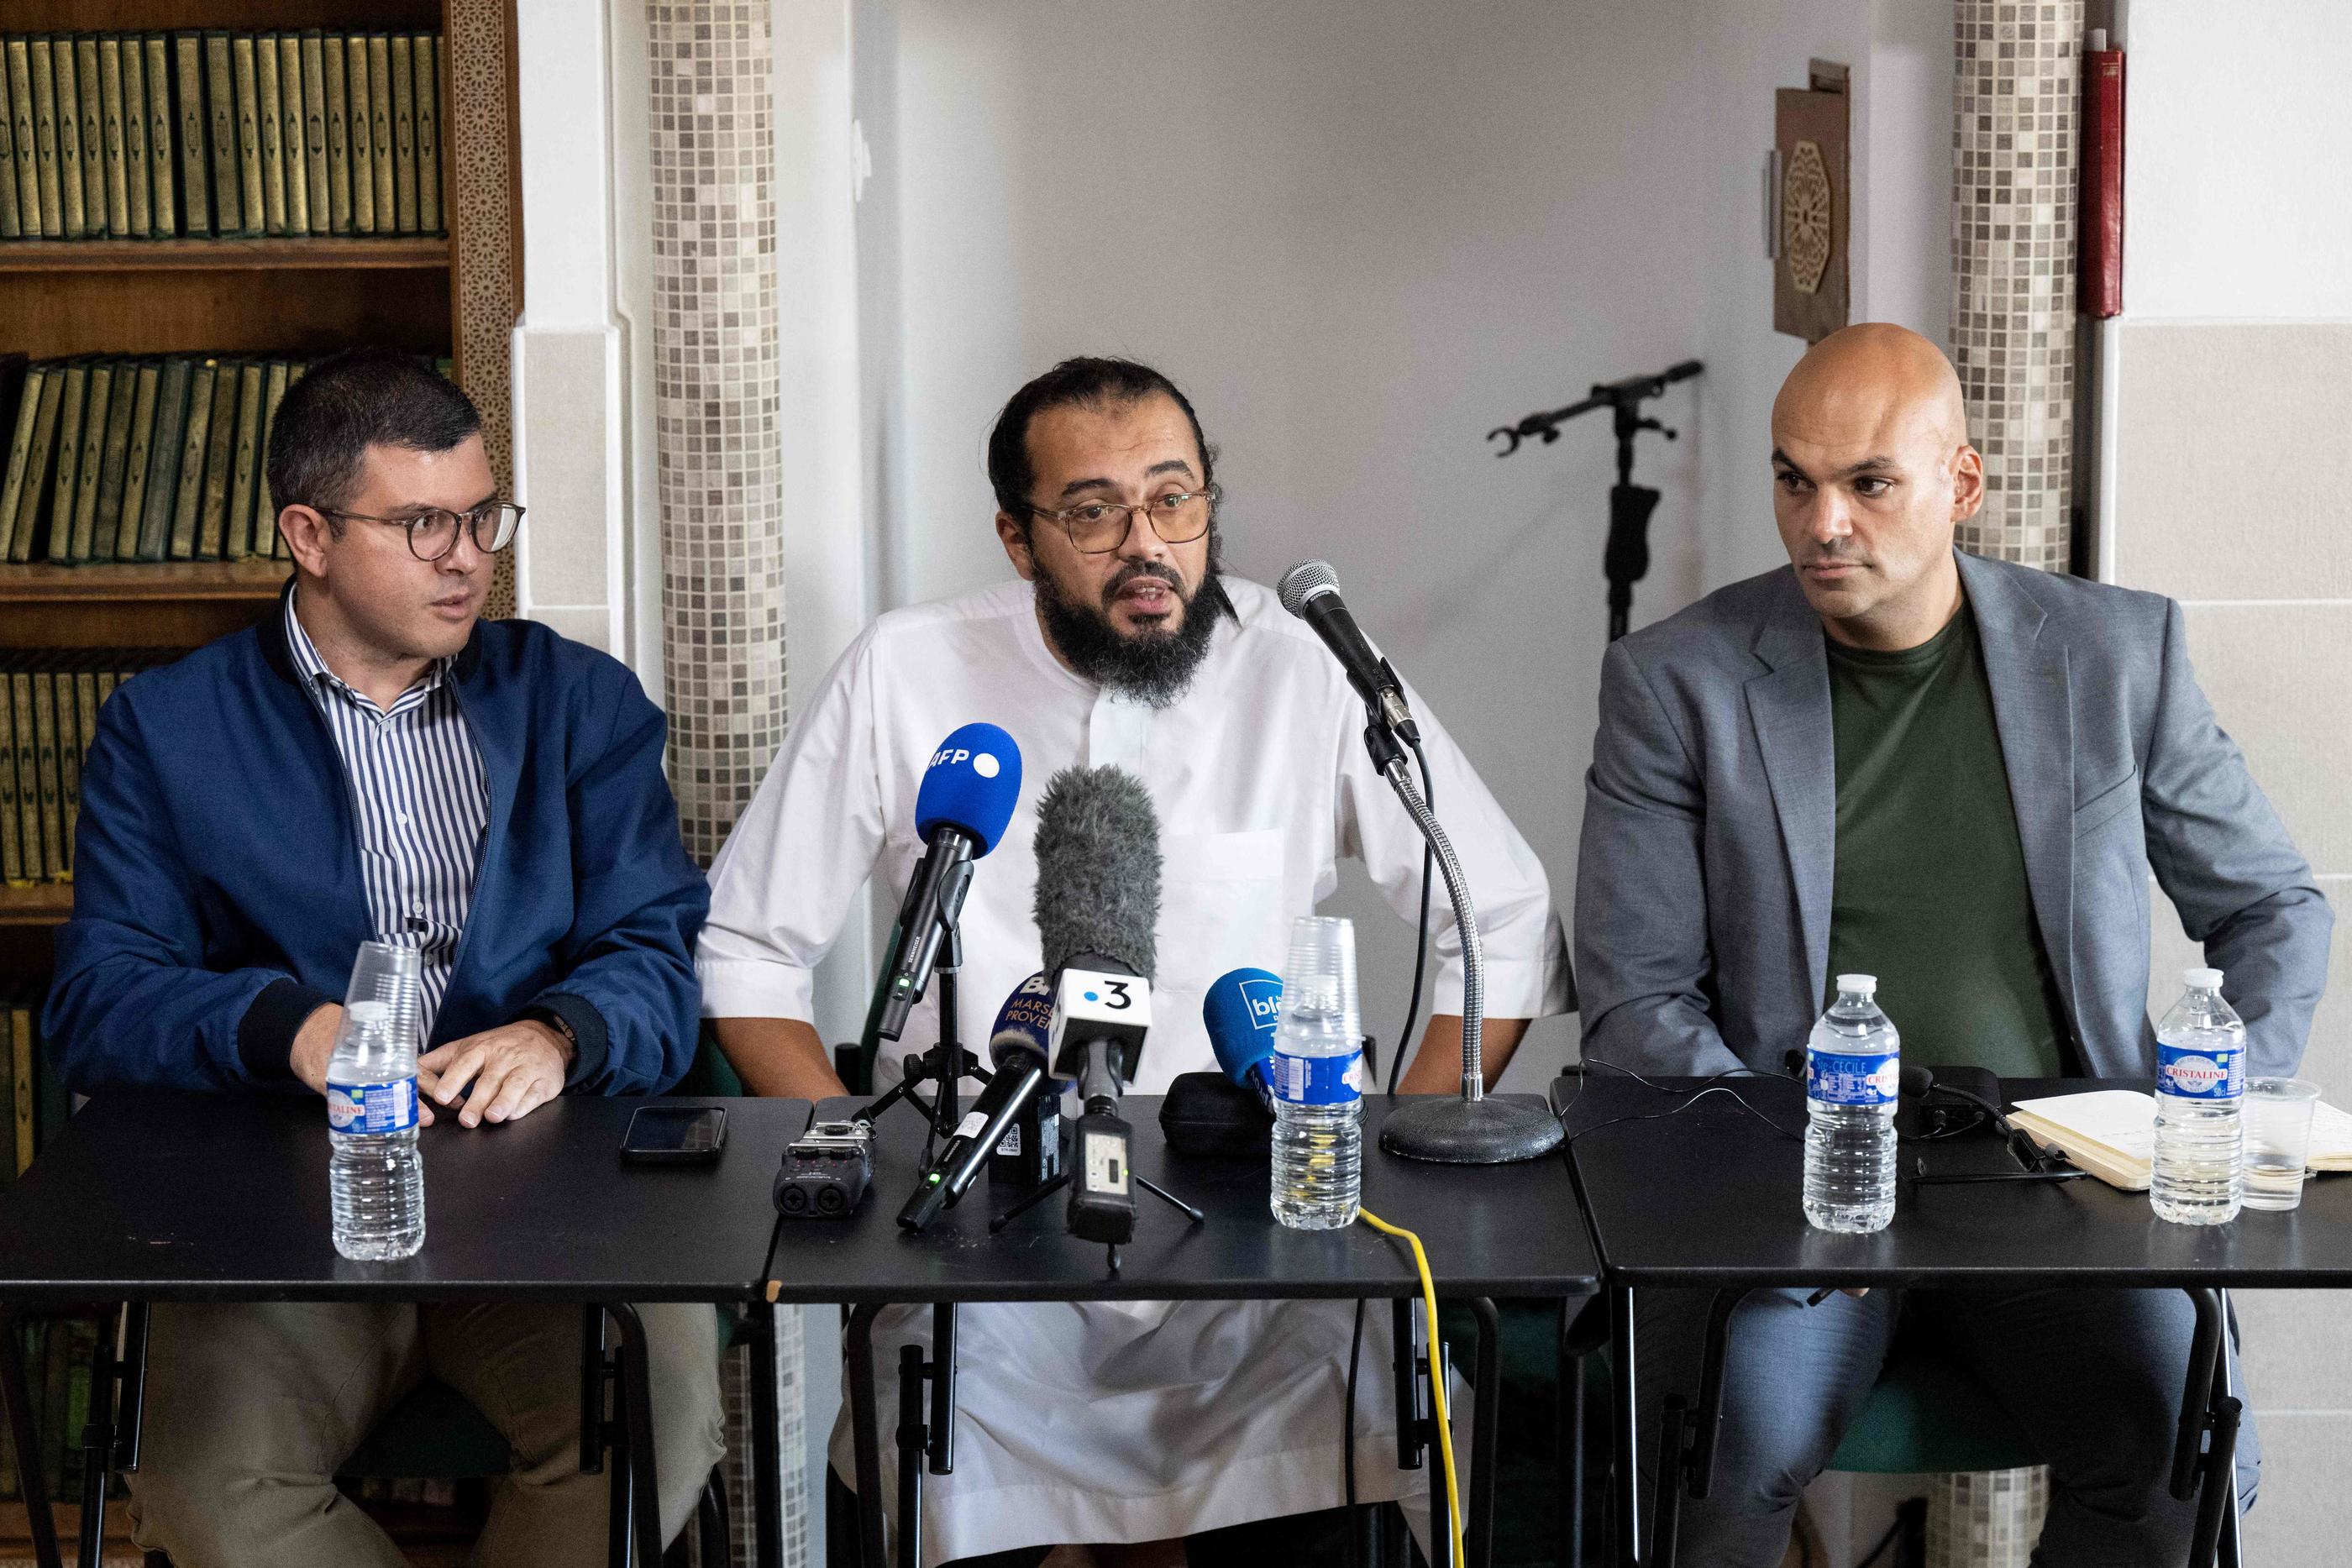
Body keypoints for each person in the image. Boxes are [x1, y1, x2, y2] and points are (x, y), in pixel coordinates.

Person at [701, 356, 1571, 1565]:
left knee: (1350, 1438)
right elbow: (747, 949)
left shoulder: (1307, 661)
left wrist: (1390, 1152)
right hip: (983, 1264)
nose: (1147, 544)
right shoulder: (906, 672)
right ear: (1018, 537)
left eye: (1176, 500)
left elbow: (1502, 915)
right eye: (1095, 512)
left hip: (1263, 1257)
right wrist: (860, 1162)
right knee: (935, 1447)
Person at [1574, 323, 2330, 1565]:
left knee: (2171, 1446)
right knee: (1723, 1448)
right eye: (1794, 480)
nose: (1823, 522)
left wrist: (2203, 1115)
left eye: (1868, 484)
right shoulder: (1678, 683)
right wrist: (1801, 1178)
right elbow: (1638, 1003)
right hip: (1799, 1189)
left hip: (2063, 1188)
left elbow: (2274, 910)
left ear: (1961, 486)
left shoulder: (2111, 655)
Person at [44, 349, 726, 1568]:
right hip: (278, 1217)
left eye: (482, 516)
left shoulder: (580, 704)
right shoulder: (166, 727)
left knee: (663, 1423)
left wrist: (560, 1033)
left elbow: (657, 955)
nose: (468, 555)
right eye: (422, 525)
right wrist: (288, 1028)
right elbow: (101, 999)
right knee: (206, 1486)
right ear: (307, 533)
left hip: (545, 1208)